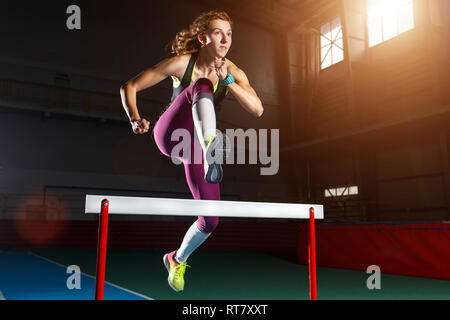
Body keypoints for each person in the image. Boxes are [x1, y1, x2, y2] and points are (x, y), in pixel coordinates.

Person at [120, 10, 263, 292]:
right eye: (218, 32)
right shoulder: (183, 63)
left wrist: (229, 82)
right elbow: (130, 86)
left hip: (194, 147)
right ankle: (213, 146)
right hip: (171, 135)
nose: (225, 39)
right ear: (203, 38)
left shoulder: (232, 71)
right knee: (201, 84)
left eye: (229, 33)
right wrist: (135, 118)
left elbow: (257, 109)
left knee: (210, 219)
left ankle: (177, 258)